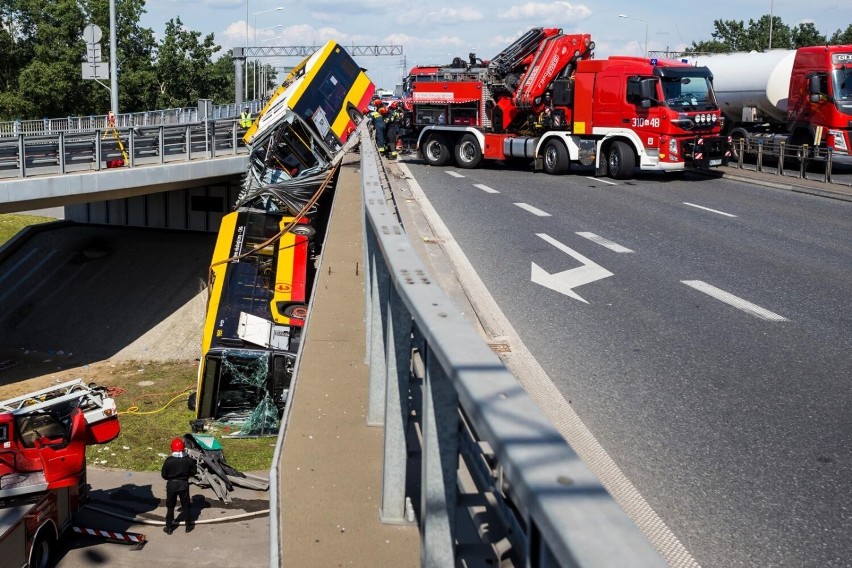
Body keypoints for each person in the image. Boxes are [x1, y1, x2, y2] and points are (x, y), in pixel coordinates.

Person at [161, 437, 197, 534]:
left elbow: (164, 475)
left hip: (171, 485)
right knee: (186, 505)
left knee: (170, 507)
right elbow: (194, 472)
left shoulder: (169, 460)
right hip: (183, 484)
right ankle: (188, 526)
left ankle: (169, 527)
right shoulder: (188, 460)